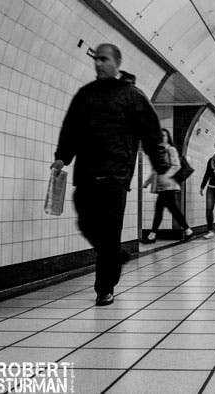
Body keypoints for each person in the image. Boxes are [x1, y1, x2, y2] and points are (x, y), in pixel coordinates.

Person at [51, 43, 168, 306]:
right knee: (86, 223)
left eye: (104, 59)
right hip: (86, 172)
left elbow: (151, 132)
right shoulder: (85, 95)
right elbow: (71, 128)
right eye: (97, 59)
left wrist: (160, 164)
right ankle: (115, 255)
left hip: (116, 175)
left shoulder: (132, 96)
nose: (99, 63)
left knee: (109, 231)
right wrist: (62, 157)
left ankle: (104, 288)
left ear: (116, 63)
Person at [141, 129, 194, 243]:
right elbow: (155, 169)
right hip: (161, 186)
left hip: (169, 185)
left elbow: (176, 165)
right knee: (172, 209)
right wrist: (147, 182)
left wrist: (167, 176)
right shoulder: (158, 151)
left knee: (160, 209)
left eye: (164, 135)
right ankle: (188, 230)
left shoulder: (171, 149)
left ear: (167, 137)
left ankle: (152, 235)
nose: (162, 137)